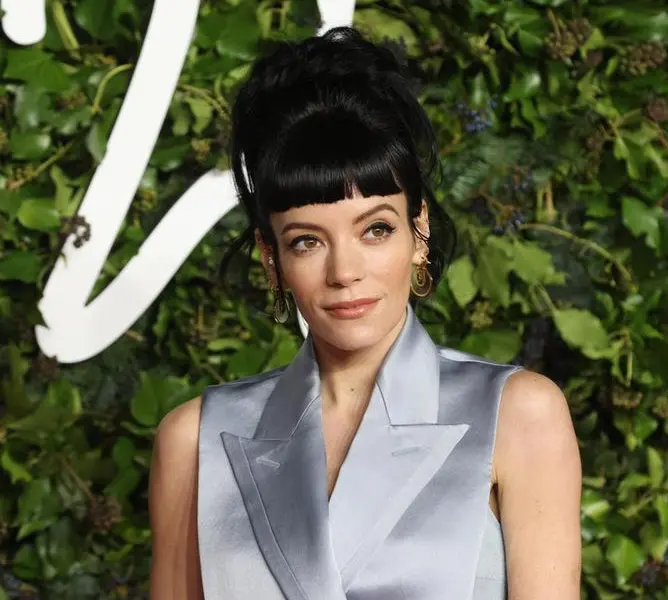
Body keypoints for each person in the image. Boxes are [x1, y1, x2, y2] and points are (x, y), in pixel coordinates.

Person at [148, 27, 582, 600]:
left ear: (418, 233)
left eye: (375, 229)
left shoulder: (519, 415)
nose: (344, 271)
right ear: (272, 258)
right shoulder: (195, 440)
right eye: (307, 241)